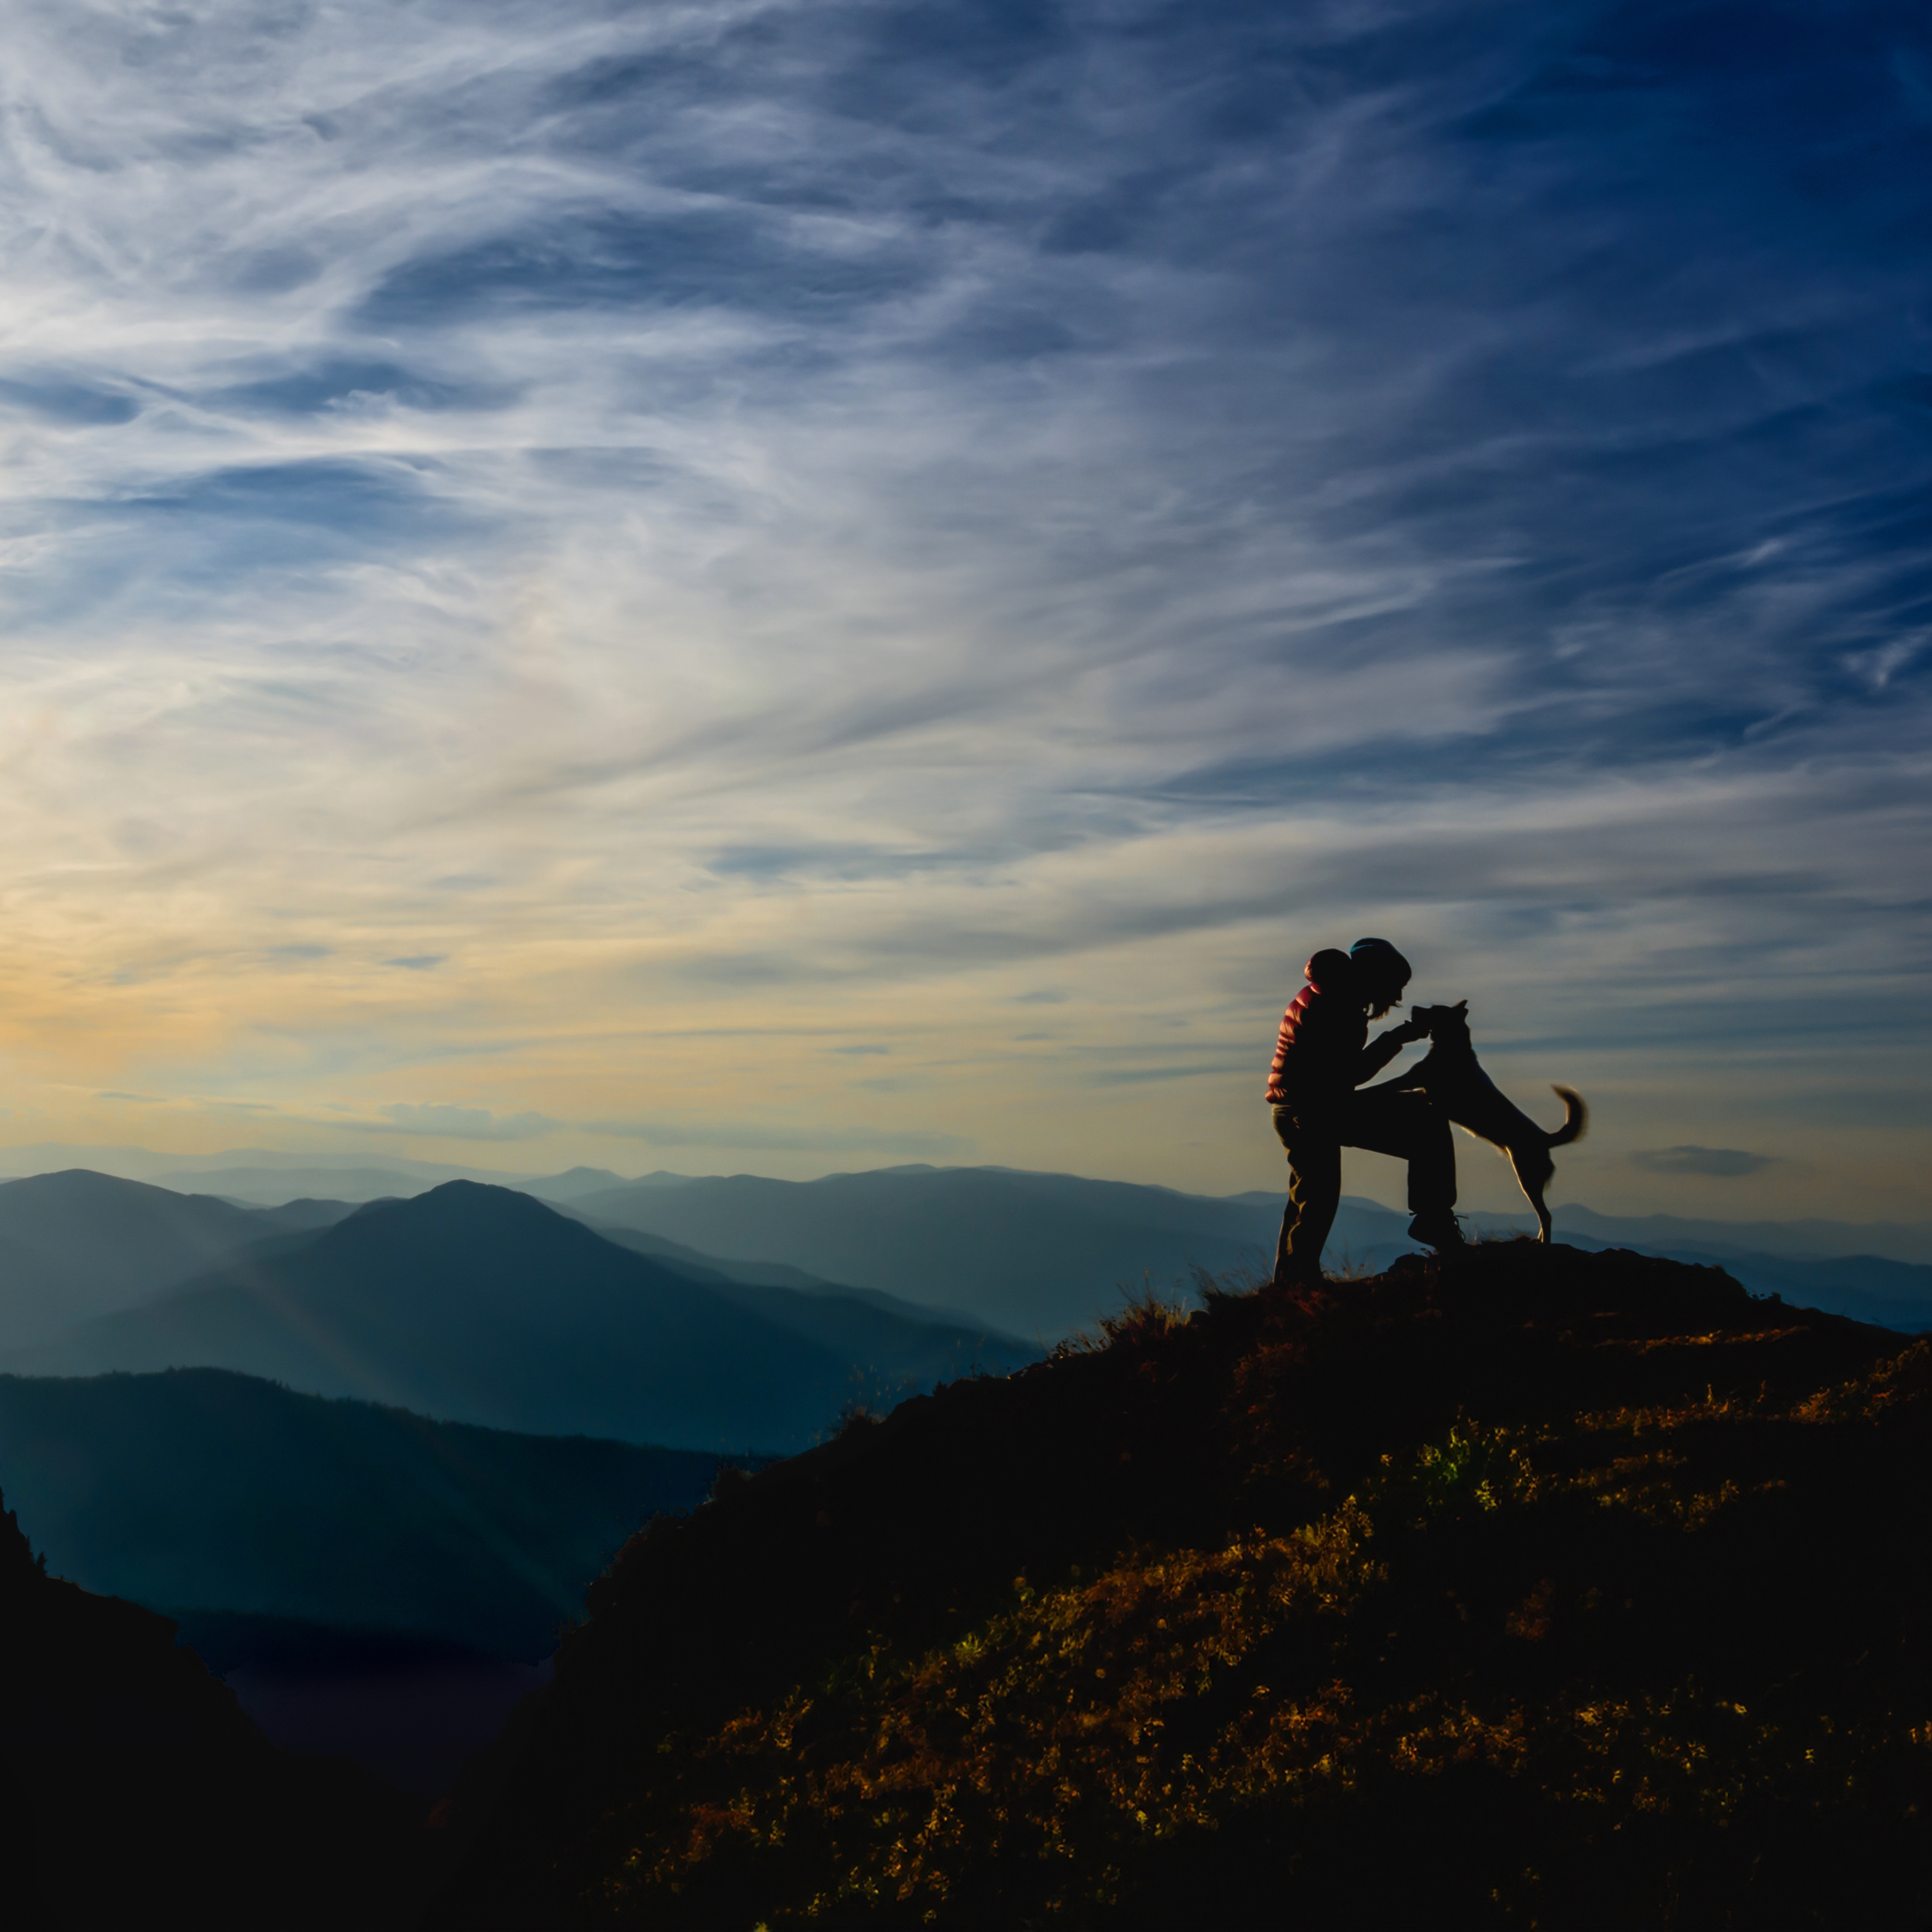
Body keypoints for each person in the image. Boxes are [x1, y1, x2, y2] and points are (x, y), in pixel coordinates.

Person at [1266, 937, 1461, 1287]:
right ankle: (1433, 1218)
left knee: (1310, 1196)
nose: (1398, 997)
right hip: (1314, 1109)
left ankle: (1291, 1283)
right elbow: (1350, 1075)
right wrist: (1399, 1037)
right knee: (1427, 1119)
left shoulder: (1328, 994)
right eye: (1395, 986)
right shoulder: (1338, 1005)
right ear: (1376, 976)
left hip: (1295, 1108)